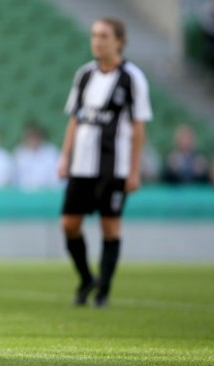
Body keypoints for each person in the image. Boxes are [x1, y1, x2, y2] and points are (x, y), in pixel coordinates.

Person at [58, 18, 152, 308]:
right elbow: (75, 118)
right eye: (94, 35)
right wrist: (65, 156)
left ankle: (103, 291)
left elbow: (138, 126)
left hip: (115, 167)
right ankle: (87, 278)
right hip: (82, 165)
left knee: (110, 228)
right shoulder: (84, 74)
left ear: (119, 41)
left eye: (103, 36)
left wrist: (134, 170)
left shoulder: (132, 77)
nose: (97, 41)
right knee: (69, 224)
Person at [13, 122, 62, 191]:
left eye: (35, 136)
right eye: (30, 136)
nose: (33, 139)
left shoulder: (52, 153)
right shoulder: (19, 154)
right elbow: (15, 180)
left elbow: (57, 180)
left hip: (47, 194)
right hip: (25, 195)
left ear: (41, 137)